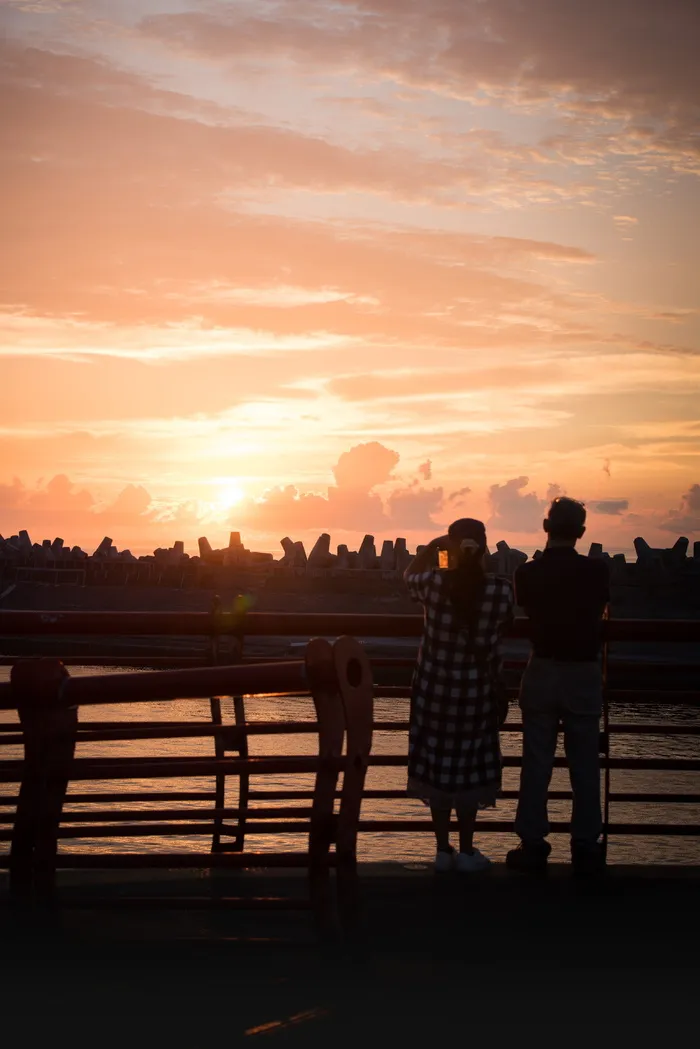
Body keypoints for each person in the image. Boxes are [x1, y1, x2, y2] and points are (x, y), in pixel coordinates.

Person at [506, 497, 610, 876]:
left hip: (543, 668)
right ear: (581, 532)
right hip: (583, 672)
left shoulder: (527, 573)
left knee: (536, 763)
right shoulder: (597, 572)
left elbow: (528, 611)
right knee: (585, 764)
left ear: (546, 527)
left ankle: (532, 842)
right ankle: (585, 845)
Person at [404, 518, 513, 873]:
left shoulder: (435, 584)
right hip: (476, 695)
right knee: (469, 768)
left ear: (452, 548)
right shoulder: (501, 591)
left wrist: (433, 547)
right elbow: (504, 621)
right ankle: (467, 851)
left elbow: (408, 576)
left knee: (437, 766)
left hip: (433, 693)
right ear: (483, 548)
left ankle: (441, 849)